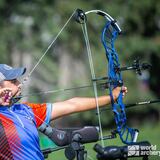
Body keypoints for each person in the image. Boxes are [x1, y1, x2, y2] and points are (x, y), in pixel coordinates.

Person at [0, 64, 127, 160]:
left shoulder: (26, 110)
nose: (19, 84)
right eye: (13, 81)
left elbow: (72, 105)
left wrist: (111, 97)